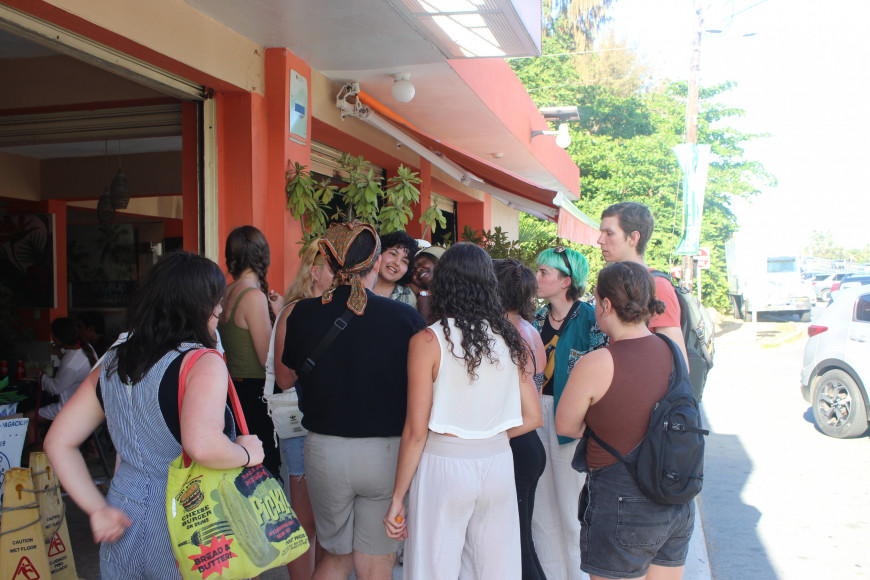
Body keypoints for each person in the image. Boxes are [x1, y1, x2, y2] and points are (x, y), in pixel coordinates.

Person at [44, 252, 265, 579]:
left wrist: (97, 509)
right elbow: (202, 445)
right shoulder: (202, 363)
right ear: (195, 305)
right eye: (215, 301)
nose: (219, 309)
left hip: (122, 518)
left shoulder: (112, 361)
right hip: (190, 522)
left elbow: (57, 441)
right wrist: (247, 453)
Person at [384, 243, 543, 580]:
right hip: (497, 463)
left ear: (443, 283)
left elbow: (415, 431)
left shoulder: (428, 341)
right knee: (494, 571)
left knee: (432, 569)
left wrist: (398, 497)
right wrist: (486, 435)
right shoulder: (508, 336)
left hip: (444, 463)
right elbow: (533, 418)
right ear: (488, 284)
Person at [282, 221, 425, 580]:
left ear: (329, 261)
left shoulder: (301, 313)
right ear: (375, 263)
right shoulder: (405, 317)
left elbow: (289, 376)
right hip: (385, 454)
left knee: (334, 557)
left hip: (324, 452)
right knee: (375, 565)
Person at [554, 261, 695, 580]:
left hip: (622, 503)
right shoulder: (672, 349)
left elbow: (566, 426)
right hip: (674, 497)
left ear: (605, 304)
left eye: (595, 299)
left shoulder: (598, 362)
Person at [531, 246, 606, 580]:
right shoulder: (533, 318)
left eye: (543, 272)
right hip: (534, 415)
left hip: (571, 421)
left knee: (571, 508)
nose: (537, 277)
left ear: (566, 281)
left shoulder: (591, 319)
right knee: (540, 510)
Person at [271, 241, 333, 580]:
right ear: (315, 271)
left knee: (328, 525)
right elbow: (283, 377)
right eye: (334, 271)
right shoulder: (295, 311)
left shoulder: (330, 310)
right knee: (305, 523)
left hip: (326, 425)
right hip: (300, 425)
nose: (341, 278)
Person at [493, 258, 547, 580]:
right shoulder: (530, 330)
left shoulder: (505, 334)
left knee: (515, 546)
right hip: (527, 445)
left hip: (514, 441)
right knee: (521, 541)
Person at [218, 225, 283, 478]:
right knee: (263, 475)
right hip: (255, 395)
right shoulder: (253, 296)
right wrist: (281, 316)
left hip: (230, 391)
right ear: (263, 256)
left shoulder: (224, 292)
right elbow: (267, 359)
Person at [598, 202, 688, 366]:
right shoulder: (615, 281)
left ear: (633, 238)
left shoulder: (657, 285)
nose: (600, 240)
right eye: (601, 232)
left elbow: (679, 364)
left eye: (609, 233)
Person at [373, 230, 419, 307]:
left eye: (404, 261)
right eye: (393, 254)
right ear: (379, 252)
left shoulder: (408, 298)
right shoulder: (357, 281)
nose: (397, 263)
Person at [408, 245, 445, 321]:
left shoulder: (455, 286)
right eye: (413, 271)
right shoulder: (418, 297)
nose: (418, 270)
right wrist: (422, 295)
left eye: (421, 263)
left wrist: (422, 294)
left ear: (435, 262)